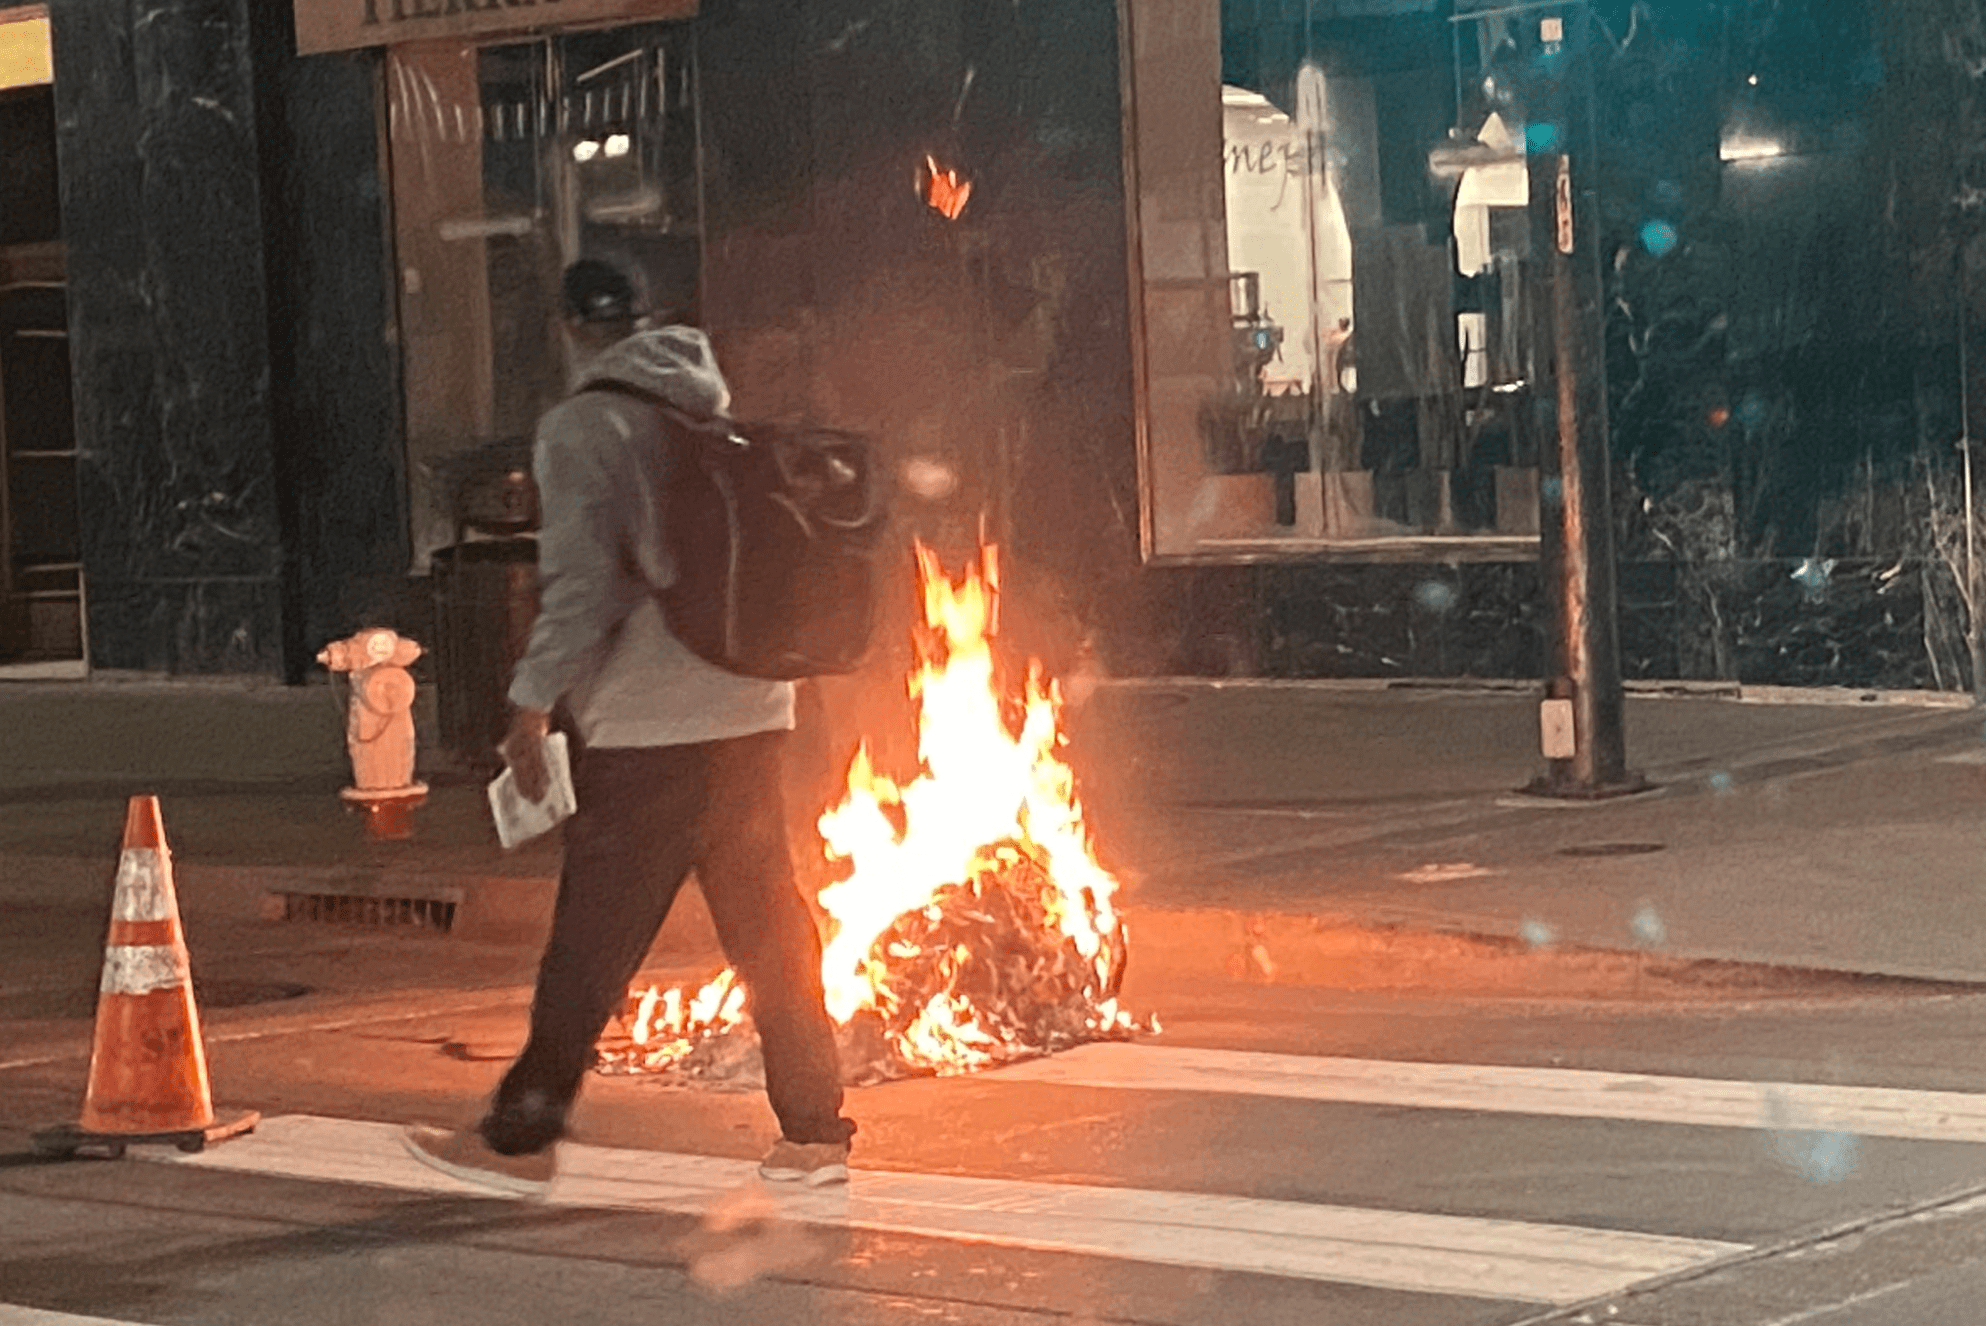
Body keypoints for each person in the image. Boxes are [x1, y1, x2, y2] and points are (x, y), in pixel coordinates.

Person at [405, 259, 856, 1196]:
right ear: (653, 324)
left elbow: (581, 588)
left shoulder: (582, 427)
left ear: (573, 330)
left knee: (593, 939)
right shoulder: (708, 411)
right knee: (770, 925)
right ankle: (814, 1132)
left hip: (650, 728)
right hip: (752, 709)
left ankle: (522, 1134)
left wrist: (529, 703)